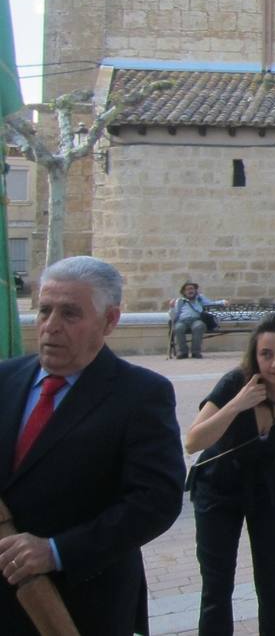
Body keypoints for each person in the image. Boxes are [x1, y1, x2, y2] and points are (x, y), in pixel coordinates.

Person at [0, 256, 185, 636]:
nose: (50, 327)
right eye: (45, 310)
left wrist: (55, 551)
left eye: (70, 314)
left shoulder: (141, 395)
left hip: (81, 606)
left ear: (110, 320)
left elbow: (156, 501)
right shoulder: (4, 379)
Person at [185, 313, 275, 635]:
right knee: (217, 582)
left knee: (272, 579)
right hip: (219, 486)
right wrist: (237, 404)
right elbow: (193, 441)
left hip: (271, 487)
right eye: (266, 354)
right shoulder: (236, 383)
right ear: (255, 356)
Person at [170, 280, 230, 359]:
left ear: (195, 290)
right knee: (178, 328)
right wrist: (171, 307)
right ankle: (183, 352)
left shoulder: (200, 299)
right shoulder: (180, 301)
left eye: (192, 289)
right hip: (182, 321)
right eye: (187, 289)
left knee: (199, 326)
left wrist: (223, 302)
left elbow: (211, 303)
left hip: (196, 320)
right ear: (184, 292)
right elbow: (174, 315)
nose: (190, 291)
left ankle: (195, 352)